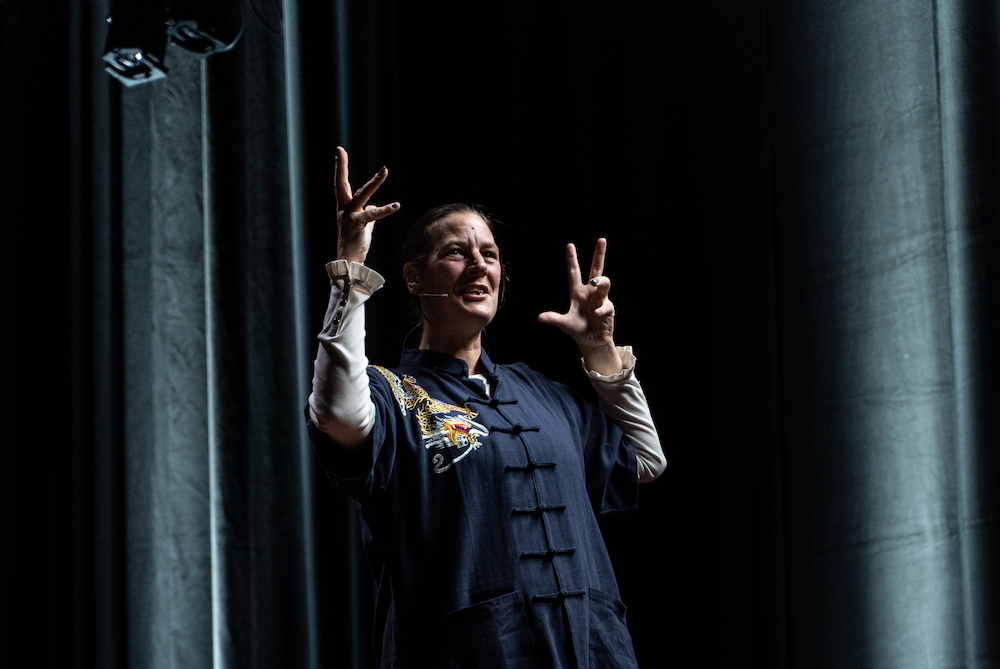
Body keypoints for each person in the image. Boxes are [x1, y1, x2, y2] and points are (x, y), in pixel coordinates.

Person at [306, 147, 666, 668]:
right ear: (413, 278)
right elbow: (336, 413)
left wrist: (599, 349)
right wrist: (351, 271)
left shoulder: (543, 394)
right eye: (457, 252)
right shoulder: (391, 393)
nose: (479, 264)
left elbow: (645, 459)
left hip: (594, 651)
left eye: (490, 254)